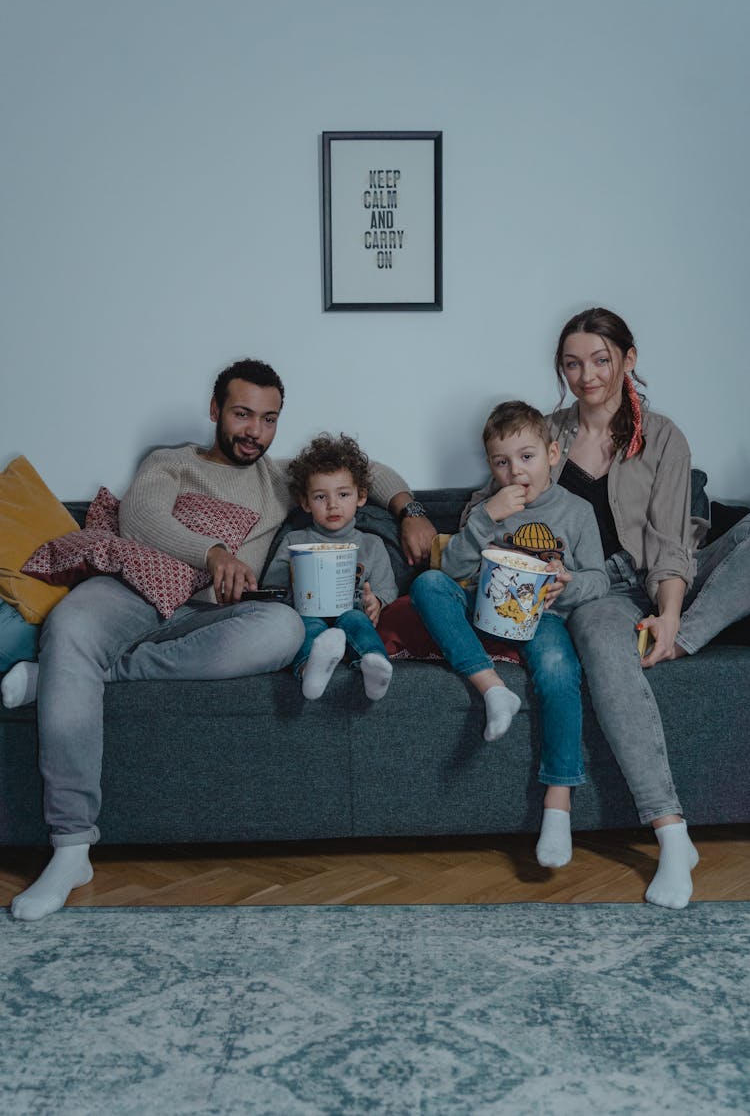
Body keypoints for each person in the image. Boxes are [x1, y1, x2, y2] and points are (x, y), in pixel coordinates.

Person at [7, 359, 435, 921]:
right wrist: (213, 553)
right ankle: (70, 848)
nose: (254, 431)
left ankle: (81, 675)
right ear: (215, 411)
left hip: (212, 618)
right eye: (241, 414)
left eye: (268, 419)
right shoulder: (171, 463)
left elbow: (368, 472)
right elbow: (139, 516)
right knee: (70, 629)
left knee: (283, 628)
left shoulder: (279, 480)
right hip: (131, 591)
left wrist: (412, 512)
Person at [469, 307, 750, 908]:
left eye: (600, 359)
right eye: (572, 363)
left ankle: (681, 638)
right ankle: (673, 835)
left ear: (628, 359)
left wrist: (672, 617)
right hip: (600, 592)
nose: (587, 375)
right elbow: (492, 497)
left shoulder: (665, 435)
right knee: (599, 637)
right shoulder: (548, 432)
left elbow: (675, 544)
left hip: (666, 577)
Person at [410, 401, 608, 868]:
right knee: (427, 584)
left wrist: (570, 582)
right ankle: (493, 689)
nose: (514, 471)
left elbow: (601, 579)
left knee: (561, 672)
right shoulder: (485, 507)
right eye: (502, 462)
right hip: (482, 611)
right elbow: (453, 570)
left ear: (553, 453)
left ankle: (557, 807)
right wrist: (485, 518)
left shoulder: (576, 512)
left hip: (541, 620)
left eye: (526, 457)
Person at [263, 433, 398, 701]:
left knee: (357, 621)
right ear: (305, 502)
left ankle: (374, 666)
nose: (333, 504)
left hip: (352, 610)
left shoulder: (371, 544)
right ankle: (309, 671)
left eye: (343, 494)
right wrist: (292, 596)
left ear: (361, 497)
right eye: (320, 497)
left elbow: (386, 588)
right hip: (308, 613)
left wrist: (376, 603)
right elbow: (273, 589)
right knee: (307, 626)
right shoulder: (294, 541)